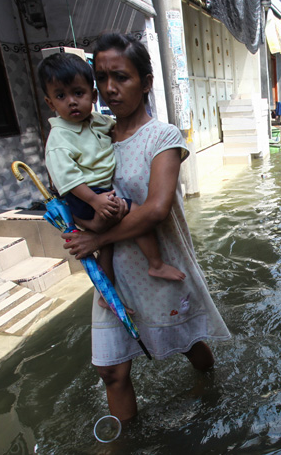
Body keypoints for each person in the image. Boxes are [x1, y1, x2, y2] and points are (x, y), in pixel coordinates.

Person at [61, 33, 231, 421]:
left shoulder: (163, 137)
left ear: (147, 82)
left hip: (157, 267)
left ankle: (211, 385)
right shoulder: (94, 135)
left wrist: (97, 238)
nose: (109, 88)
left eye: (121, 77)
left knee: (189, 344)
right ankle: (122, 443)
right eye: (101, 78)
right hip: (110, 269)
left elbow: (155, 209)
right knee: (111, 371)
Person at [37, 52, 185, 286]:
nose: (72, 102)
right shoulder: (59, 139)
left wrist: (97, 238)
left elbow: (119, 127)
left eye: (78, 93)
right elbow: (67, 180)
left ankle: (107, 289)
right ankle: (155, 264)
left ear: (92, 95)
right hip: (85, 195)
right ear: (50, 103)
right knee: (134, 211)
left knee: (106, 244)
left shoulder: (99, 123)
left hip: (97, 193)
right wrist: (94, 202)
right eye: (61, 96)